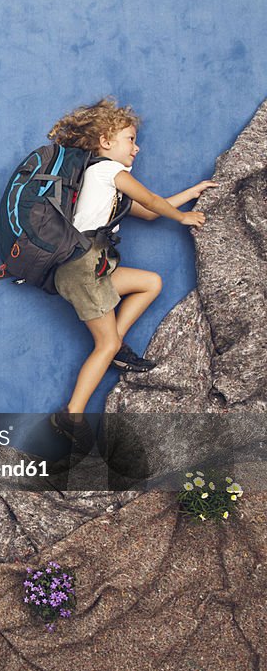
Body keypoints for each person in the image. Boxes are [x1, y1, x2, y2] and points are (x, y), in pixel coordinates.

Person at [46, 99, 217, 451]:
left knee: (150, 282)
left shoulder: (106, 182)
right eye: (130, 138)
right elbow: (154, 201)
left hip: (93, 268)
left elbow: (151, 211)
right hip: (82, 268)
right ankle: (71, 414)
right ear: (106, 141)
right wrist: (183, 217)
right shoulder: (106, 171)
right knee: (103, 344)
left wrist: (191, 193)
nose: (136, 147)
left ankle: (117, 348)